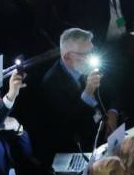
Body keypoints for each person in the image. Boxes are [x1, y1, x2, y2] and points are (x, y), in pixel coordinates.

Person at [37, 28, 108, 166]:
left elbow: (113, 90)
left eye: (92, 50)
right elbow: (68, 127)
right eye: (86, 54)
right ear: (67, 57)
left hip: (102, 133)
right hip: (78, 148)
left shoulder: (90, 66)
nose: (91, 57)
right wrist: (87, 93)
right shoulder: (52, 83)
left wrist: (112, 112)